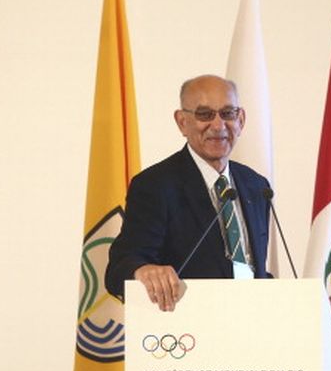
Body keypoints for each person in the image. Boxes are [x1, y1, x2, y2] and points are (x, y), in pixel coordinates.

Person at [105, 74, 272, 312]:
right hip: (189, 324)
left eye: (228, 113)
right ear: (182, 122)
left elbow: (250, 269)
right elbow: (120, 267)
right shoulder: (154, 185)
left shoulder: (256, 186)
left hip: (253, 321)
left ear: (241, 119)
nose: (218, 125)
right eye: (205, 114)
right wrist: (142, 270)